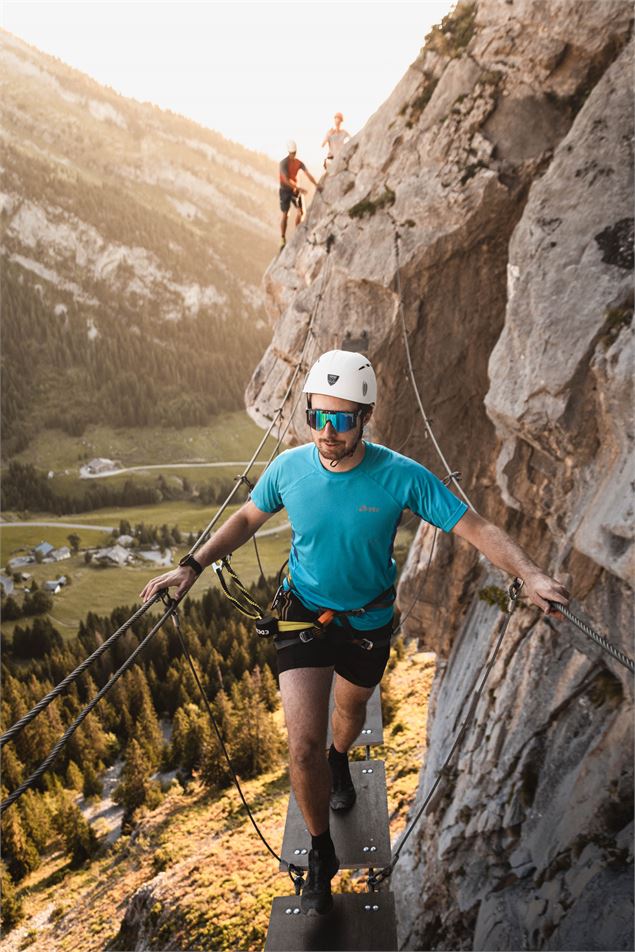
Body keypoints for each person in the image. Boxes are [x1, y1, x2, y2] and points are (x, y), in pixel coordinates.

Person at [140, 349, 570, 917]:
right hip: (303, 614)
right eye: (318, 417)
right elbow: (247, 518)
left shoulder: (399, 475)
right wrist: (190, 567)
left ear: (365, 417)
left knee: (350, 712)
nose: (327, 431)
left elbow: (474, 525)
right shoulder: (290, 467)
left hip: (368, 622)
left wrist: (530, 572)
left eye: (341, 420)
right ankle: (320, 851)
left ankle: (341, 758)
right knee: (301, 743)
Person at [278, 140, 319, 249]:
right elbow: (286, 180)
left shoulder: (299, 163)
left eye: (294, 153)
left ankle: (297, 233)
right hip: (285, 190)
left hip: (295, 189)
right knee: (285, 214)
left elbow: (308, 174)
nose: (293, 155)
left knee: (301, 212)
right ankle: (282, 238)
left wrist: (317, 185)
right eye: (291, 153)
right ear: (288, 152)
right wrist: (298, 188)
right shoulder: (283, 163)